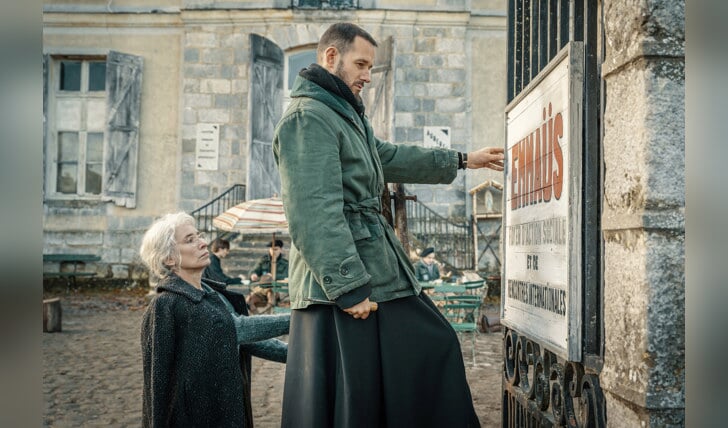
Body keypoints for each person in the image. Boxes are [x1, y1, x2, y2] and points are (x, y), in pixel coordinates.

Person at [272, 22, 505, 428]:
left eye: (370, 66)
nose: (367, 75)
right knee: (368, 388)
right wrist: (348, 288)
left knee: (418, 360)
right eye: (360, 64)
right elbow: (313, 210)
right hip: (344, 285)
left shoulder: (343, 116)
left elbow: (390, 156)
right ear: (331, 57)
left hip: (376, 269)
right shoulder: (308, 118)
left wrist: (464, 160)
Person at [139, 212, 290, 427]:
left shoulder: (211, 294)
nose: (202, 243)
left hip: (224, 406)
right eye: (190, 240)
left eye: (199, 236)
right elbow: (238, 329)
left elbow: (242, 339)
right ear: (169, 258)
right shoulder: (168, 303)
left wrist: (293, 355)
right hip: (193, 417)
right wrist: (300, 317)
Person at [246, 239, 289, 313]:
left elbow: (285, 276)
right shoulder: (263, 261)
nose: (273, 251)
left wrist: (272, 277)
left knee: (270, 294)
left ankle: (268, 317)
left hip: (277, 288)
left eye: (276, 249)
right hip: (261, 289)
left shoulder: (285, 264)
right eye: (271, 249)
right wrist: (253, 274)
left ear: (281, 250)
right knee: (249, 301)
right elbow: (254, 271)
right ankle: (257, 318)